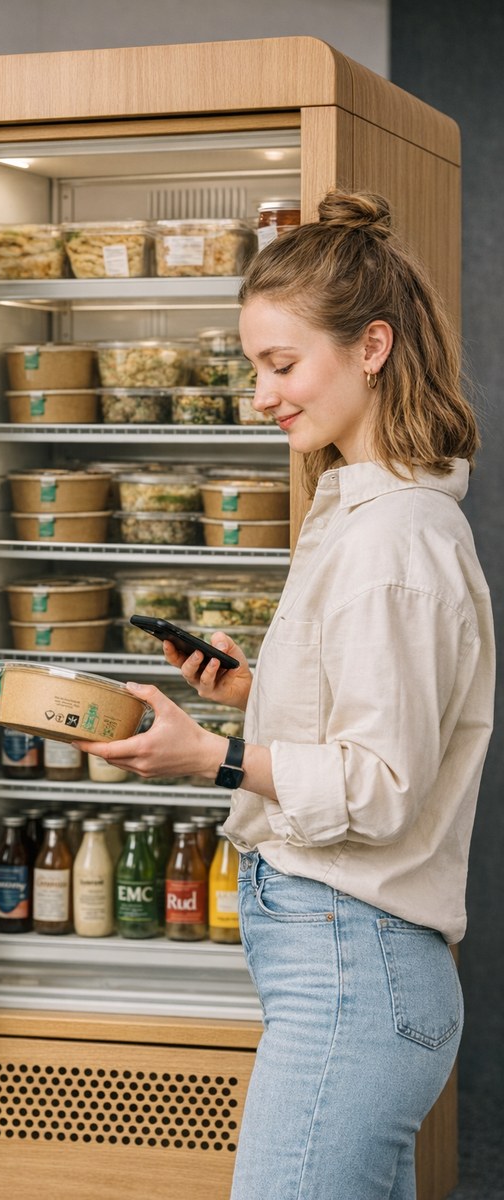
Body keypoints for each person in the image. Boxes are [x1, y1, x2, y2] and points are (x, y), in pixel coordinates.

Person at [78, 191, 495, 1199]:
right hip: (347, 961)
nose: (262, 395)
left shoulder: (391, 537)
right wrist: (256, 694)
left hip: (353, 961)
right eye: (251, 367)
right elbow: (375, 714)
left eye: (280, 364)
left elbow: (380, 786)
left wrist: (212, 757)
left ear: (370, 347)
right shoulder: (362, 507)